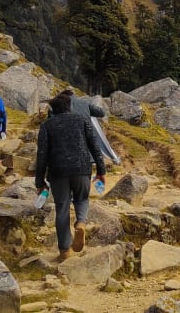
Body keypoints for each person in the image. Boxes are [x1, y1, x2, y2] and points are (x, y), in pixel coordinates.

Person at [36, 93, 106, 262]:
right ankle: (81, 223)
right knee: (82, 199)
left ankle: (64, 251)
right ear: (69, 106)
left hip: (58, 173)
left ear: (53, 109)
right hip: (82, 168)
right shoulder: (81, 120)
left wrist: (40, 182)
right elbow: (95, 147)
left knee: (62, 208)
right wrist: (101, 171)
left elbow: (42, 155)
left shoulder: (47, 125)